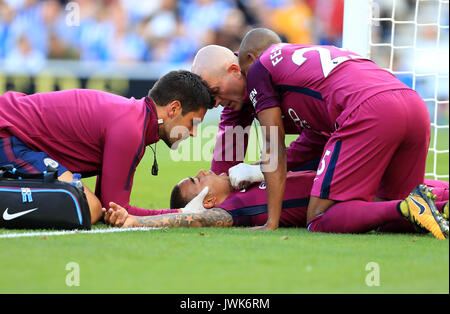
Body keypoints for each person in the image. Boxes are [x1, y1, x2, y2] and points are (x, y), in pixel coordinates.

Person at [0, 70, 215, 223]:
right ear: (174, 109)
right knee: (87, 207)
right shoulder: (131, 128)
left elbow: (110, 206)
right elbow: (115, 209)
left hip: (12, 132)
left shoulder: (136, 118)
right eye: (193, 123)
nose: (194, 133)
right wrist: (181, 213)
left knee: (92, 205)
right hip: (8, 134)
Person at [104, 166, 449, 239]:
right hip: (370, 202)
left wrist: (132, 211)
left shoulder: (245, 182)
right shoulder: (235, 210)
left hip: (371, 184)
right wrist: (136, 222)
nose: (201, 170)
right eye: (196, 180)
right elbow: (187, 219)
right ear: (207, 200)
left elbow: (179, 211)